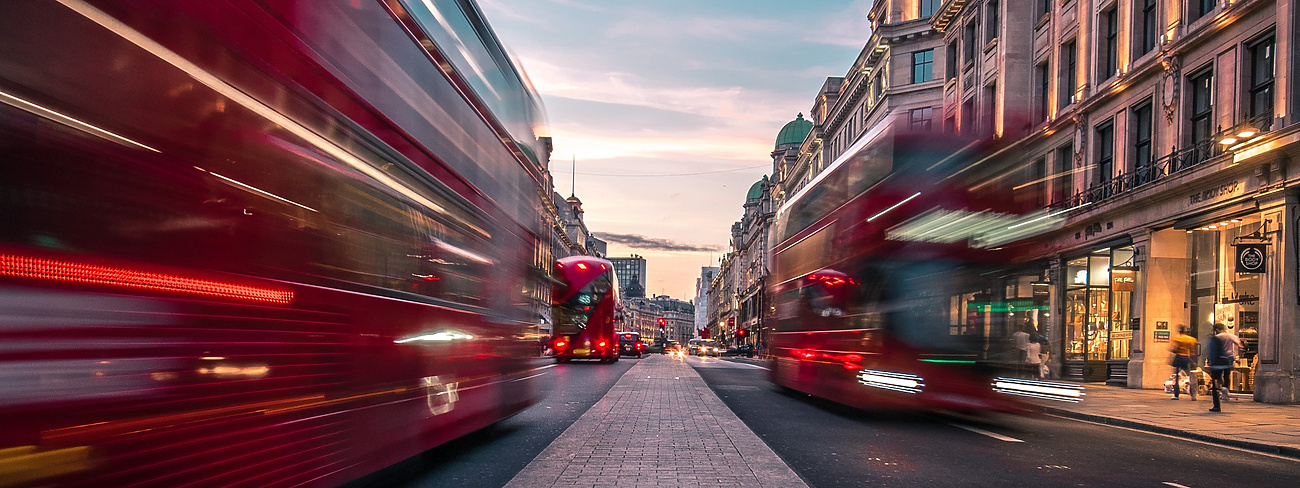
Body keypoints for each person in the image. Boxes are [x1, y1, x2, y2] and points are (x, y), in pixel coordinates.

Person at [1207, 322, 1242, 412]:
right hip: (1228, 359)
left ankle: (1219, 399)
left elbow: (1212, 351)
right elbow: (1240, 344)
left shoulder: (1217, 338)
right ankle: (1225, 389)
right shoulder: (1230, 336)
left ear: (1217, 330)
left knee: (1217, 380)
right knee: (1227, 375)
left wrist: (1209, 360)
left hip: (1217, 361)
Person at [1169, 326, 1197, 400]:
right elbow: (1193, 351)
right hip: (1188, 357)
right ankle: (1193, 395)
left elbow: (1175, 349)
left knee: (1177, 376)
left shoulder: (1178, 339)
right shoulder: (1191, 339)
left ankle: (1176, 395)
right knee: (1190, 376)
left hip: (1179, 357)